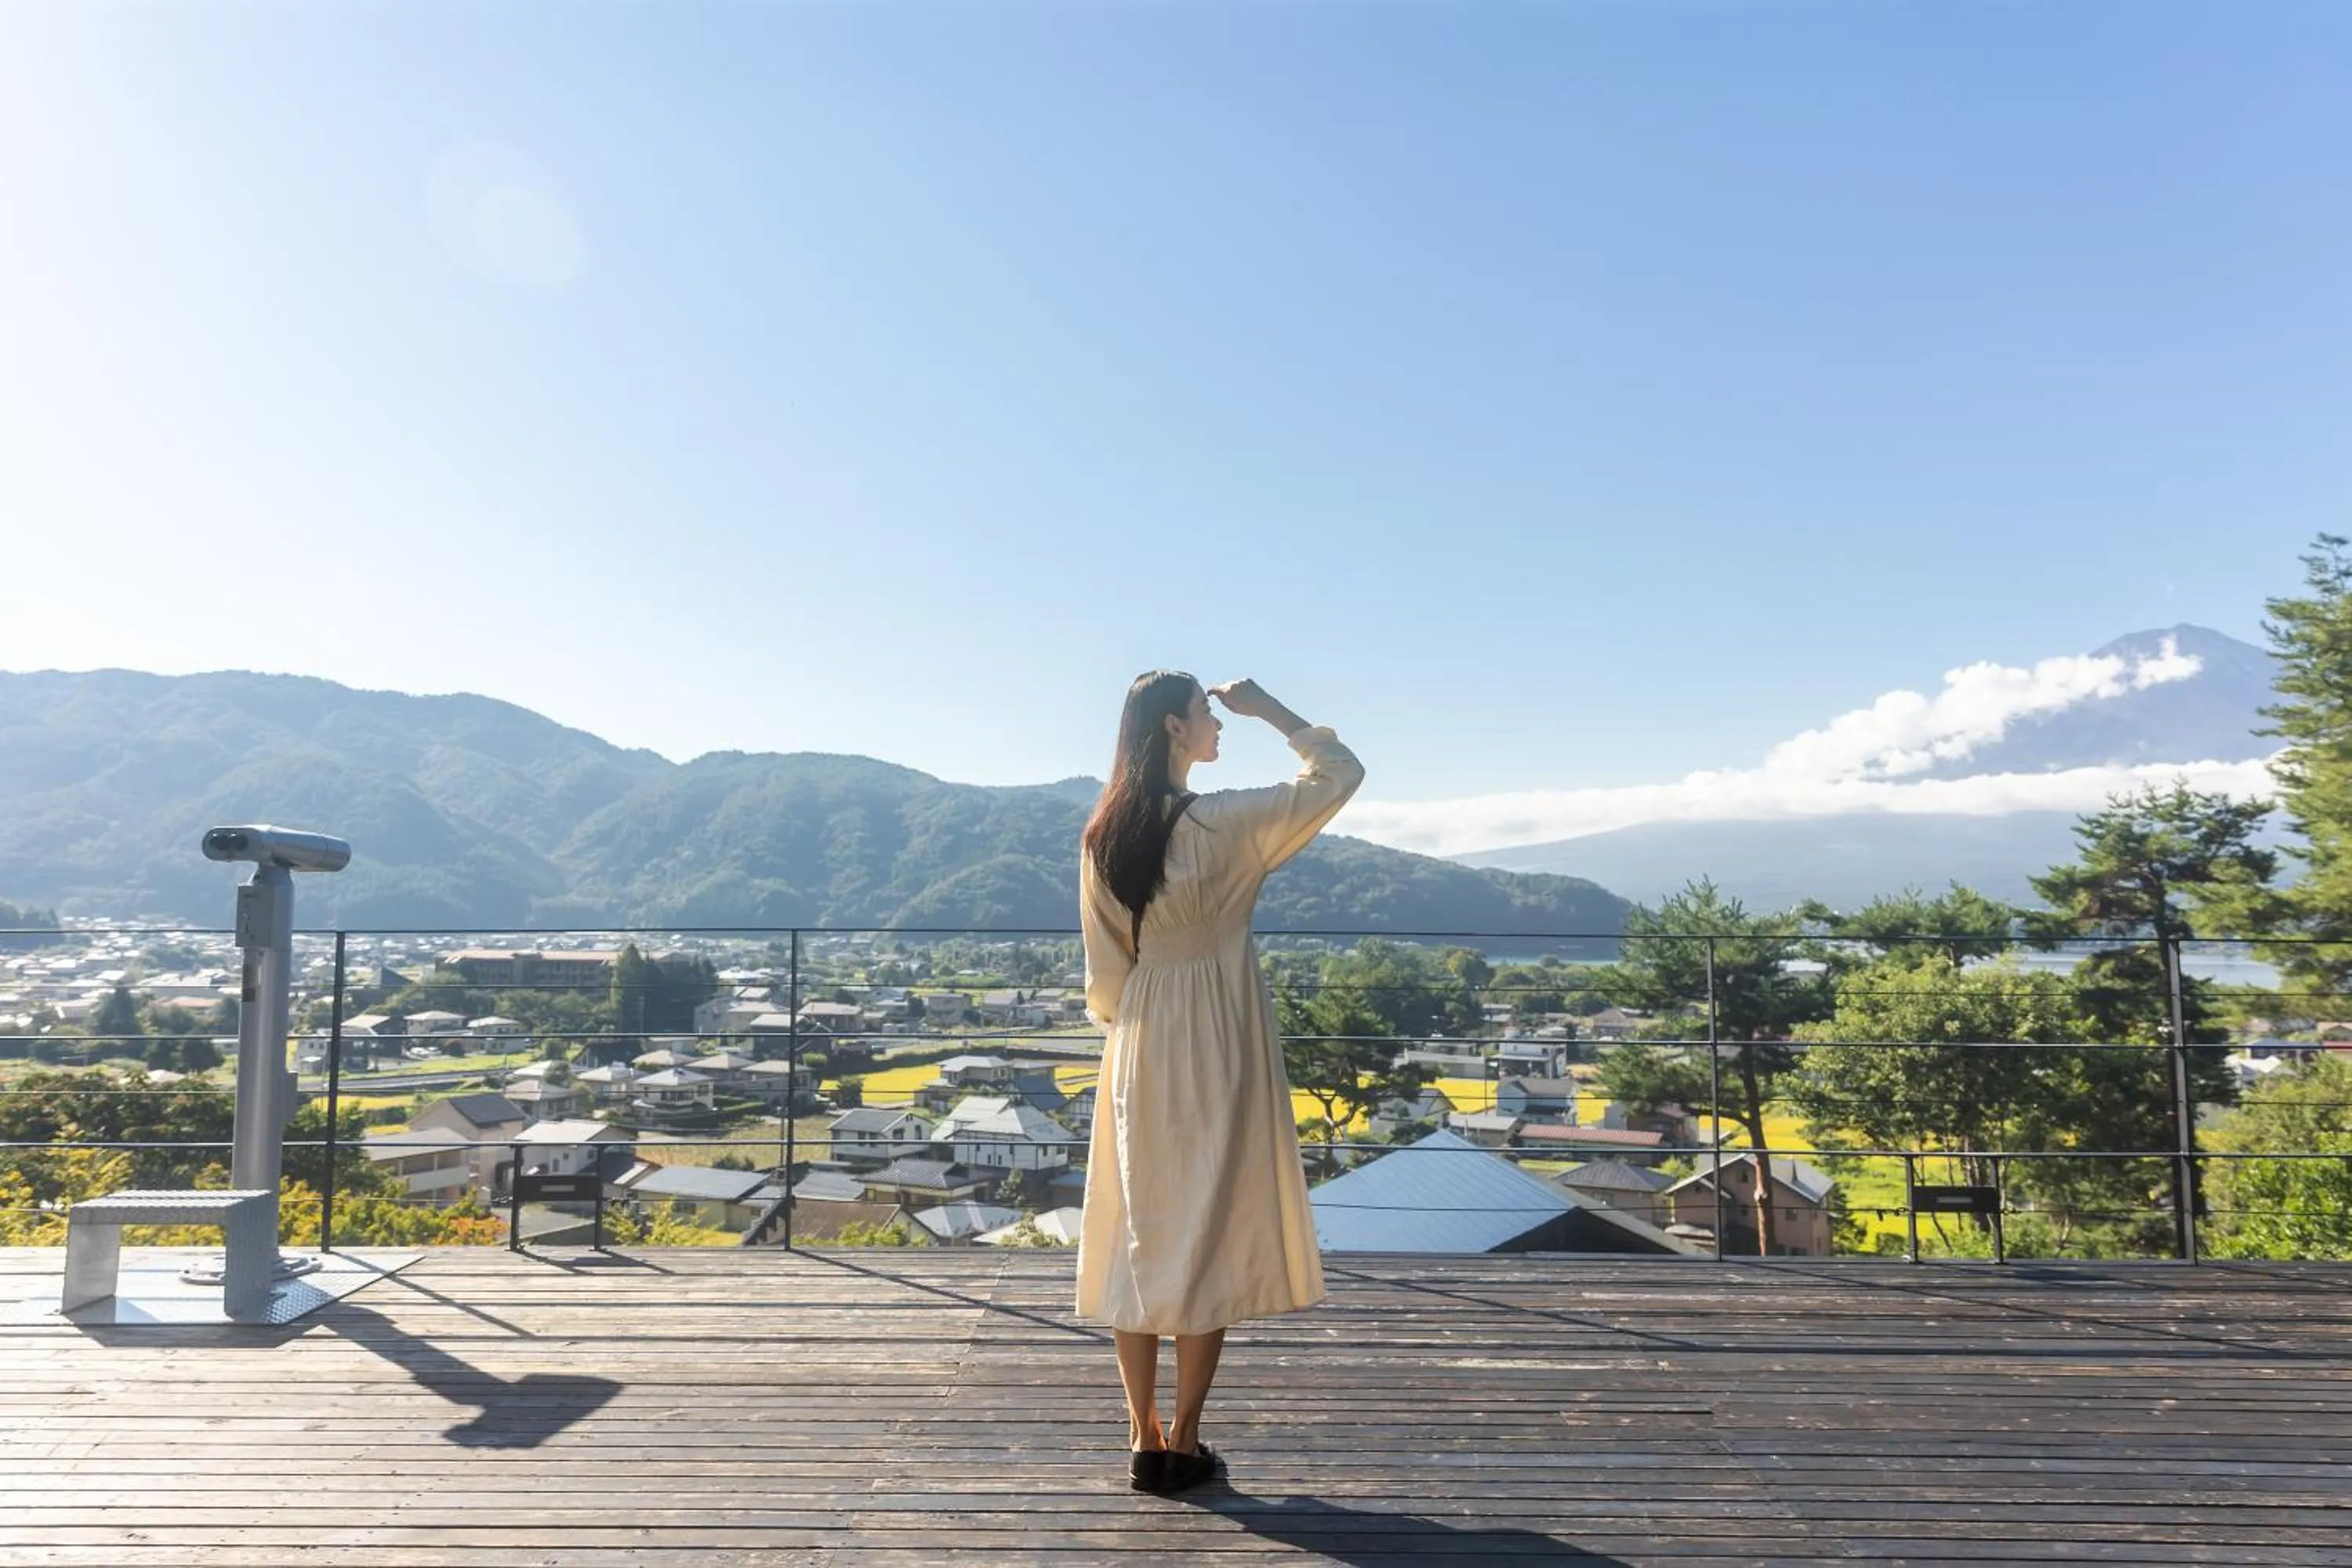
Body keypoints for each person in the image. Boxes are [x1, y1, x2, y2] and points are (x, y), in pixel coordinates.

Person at [1074, 670, 1366, 1494]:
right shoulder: (1227, 822)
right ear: (1175, 726)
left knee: (1141, 1225)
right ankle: (1188, 1437)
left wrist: (1134, 1025)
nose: (1219, 725)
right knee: (1206, 1220)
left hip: (1140, 1031)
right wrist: (1271, 707)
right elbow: (1338, 775)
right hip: (1220, 1032)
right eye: (1209, 714)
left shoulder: (1103, 836)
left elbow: (1104, 975)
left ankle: (1142, 1433)